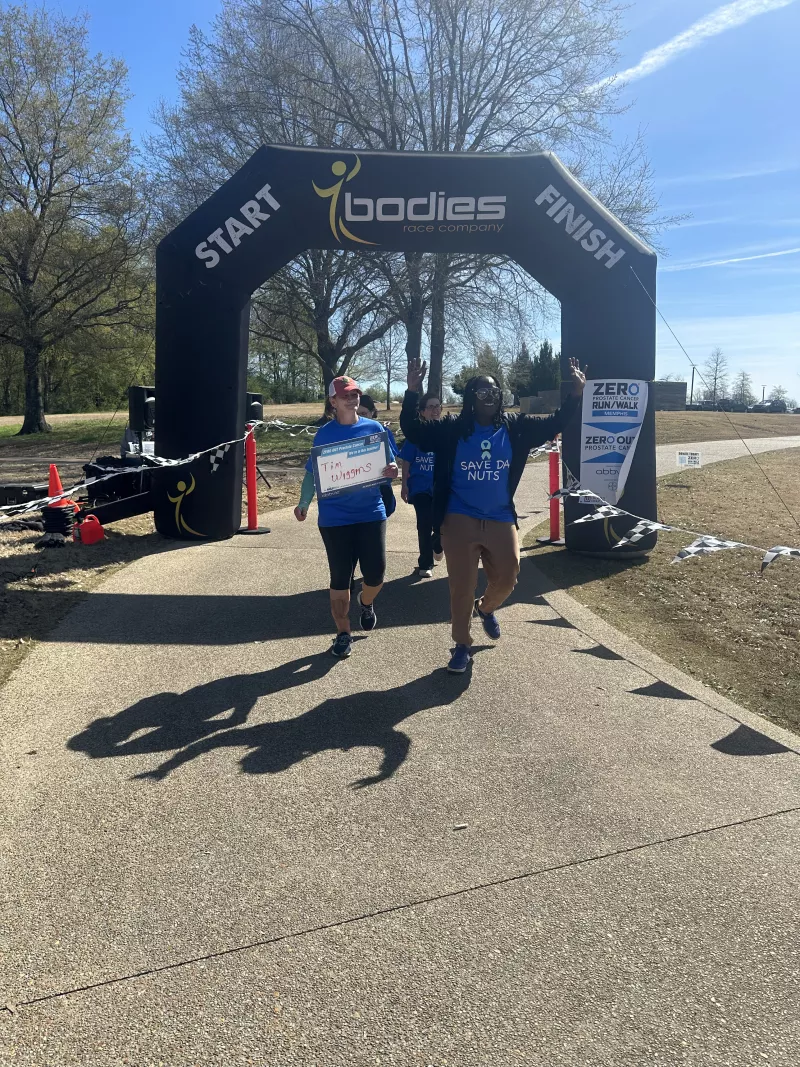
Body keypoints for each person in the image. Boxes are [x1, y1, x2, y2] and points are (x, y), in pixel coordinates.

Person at [400, 357, 586, 673]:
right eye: (482, 390)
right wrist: (412, 391)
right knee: (462, 585)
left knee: (509, 576)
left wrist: (577, 394)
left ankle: (485, 608)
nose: (490, 395)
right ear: (471, 397)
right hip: (458, 517)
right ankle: (462, 644)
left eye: (494, 390)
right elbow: (414, 431)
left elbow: (555, 423)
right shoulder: (452, 429)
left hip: (500, 516)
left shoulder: (515, 428)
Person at [295, 375, 399, 658]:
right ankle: (343, 633)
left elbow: (388, 468)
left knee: (375, 574)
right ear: (333, 401)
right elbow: (311, 473)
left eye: (355, 394)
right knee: (340, 578)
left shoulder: (374, 428)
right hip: (335, 518)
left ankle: (366, 602)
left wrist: (392, 472)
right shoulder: (324, 434)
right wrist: (304, 502)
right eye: (345, 395)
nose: (352, 399)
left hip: (370, 513)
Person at [398, 392, 443, 577]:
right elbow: (406, 460)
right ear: (422, 412)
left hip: (441, 487)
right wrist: (404, 484)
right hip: (420, 487)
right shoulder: (415, 435)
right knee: (424, 523)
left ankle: (437, 543)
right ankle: (426, 563)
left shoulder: (446, 432)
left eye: (438, 406)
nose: (435, 410)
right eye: (430, 407)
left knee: (442, 524)